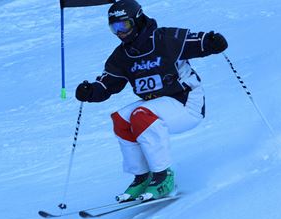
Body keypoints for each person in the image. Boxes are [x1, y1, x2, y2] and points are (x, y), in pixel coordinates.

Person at [75, 0, 228, 202]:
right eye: (114, 28)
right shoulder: (122, 56)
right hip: (159, 106)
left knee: (141, 115)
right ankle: (142, 177)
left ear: (137, 21)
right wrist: (91, 91)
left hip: (186, 103)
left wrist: (211, 42)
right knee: (121, 119)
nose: (120, 32)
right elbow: (107, 85)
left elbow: (197, 43)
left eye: (124, 25)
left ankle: (163, 176)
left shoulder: (165, 39)